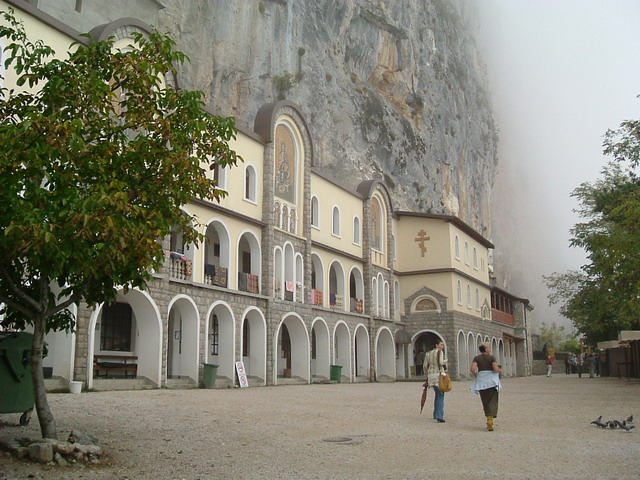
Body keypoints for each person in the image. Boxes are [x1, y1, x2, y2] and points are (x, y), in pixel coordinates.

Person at [471, 342, 504, 431]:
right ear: (486, 349)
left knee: (485, 399)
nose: (490, 349)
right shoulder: (492, 357)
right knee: (493, 399)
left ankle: (488, 416)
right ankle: (490, 419)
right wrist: (500, 370)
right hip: (491, 381)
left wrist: (476, 375)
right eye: (489, 347)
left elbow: (473, 369)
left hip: (481, 381)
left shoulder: (476, 358)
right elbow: (495, 369)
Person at [423, 340, 447, 423]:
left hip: (431, 375)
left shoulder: (428, 353)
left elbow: (425, 366)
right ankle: (439, 415)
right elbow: (441, 362)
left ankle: (436, 413)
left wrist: (428, 373)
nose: (442, 346)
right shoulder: (440, 352)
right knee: (441, 394)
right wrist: (445, 360)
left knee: (437, 393)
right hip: (438, 375)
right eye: (441, 345)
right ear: (436, 345)